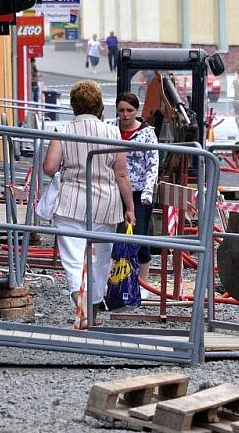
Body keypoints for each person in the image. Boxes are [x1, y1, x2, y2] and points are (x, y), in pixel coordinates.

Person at [42, 80, 135, 329]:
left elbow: (49, 168)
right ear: (98, 106)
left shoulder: (63, 130)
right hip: (106, 204)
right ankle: (91, 315)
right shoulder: (113, 133)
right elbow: (122, 174)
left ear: (73, 105)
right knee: (100, 261)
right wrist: (130, 207)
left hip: (71, 202)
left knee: (73, 260)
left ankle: (80, 309)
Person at [115, 93, 159, 300]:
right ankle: (116, 278)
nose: (125, 115)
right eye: (121, 110)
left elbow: (152, 164)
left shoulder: (147, 133)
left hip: (140, 191)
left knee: (139, 236)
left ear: (137, 111)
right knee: (114, 235)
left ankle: (142, 283)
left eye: (129, 110)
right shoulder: (111, 128)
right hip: (115, 189)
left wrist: (148, 192)